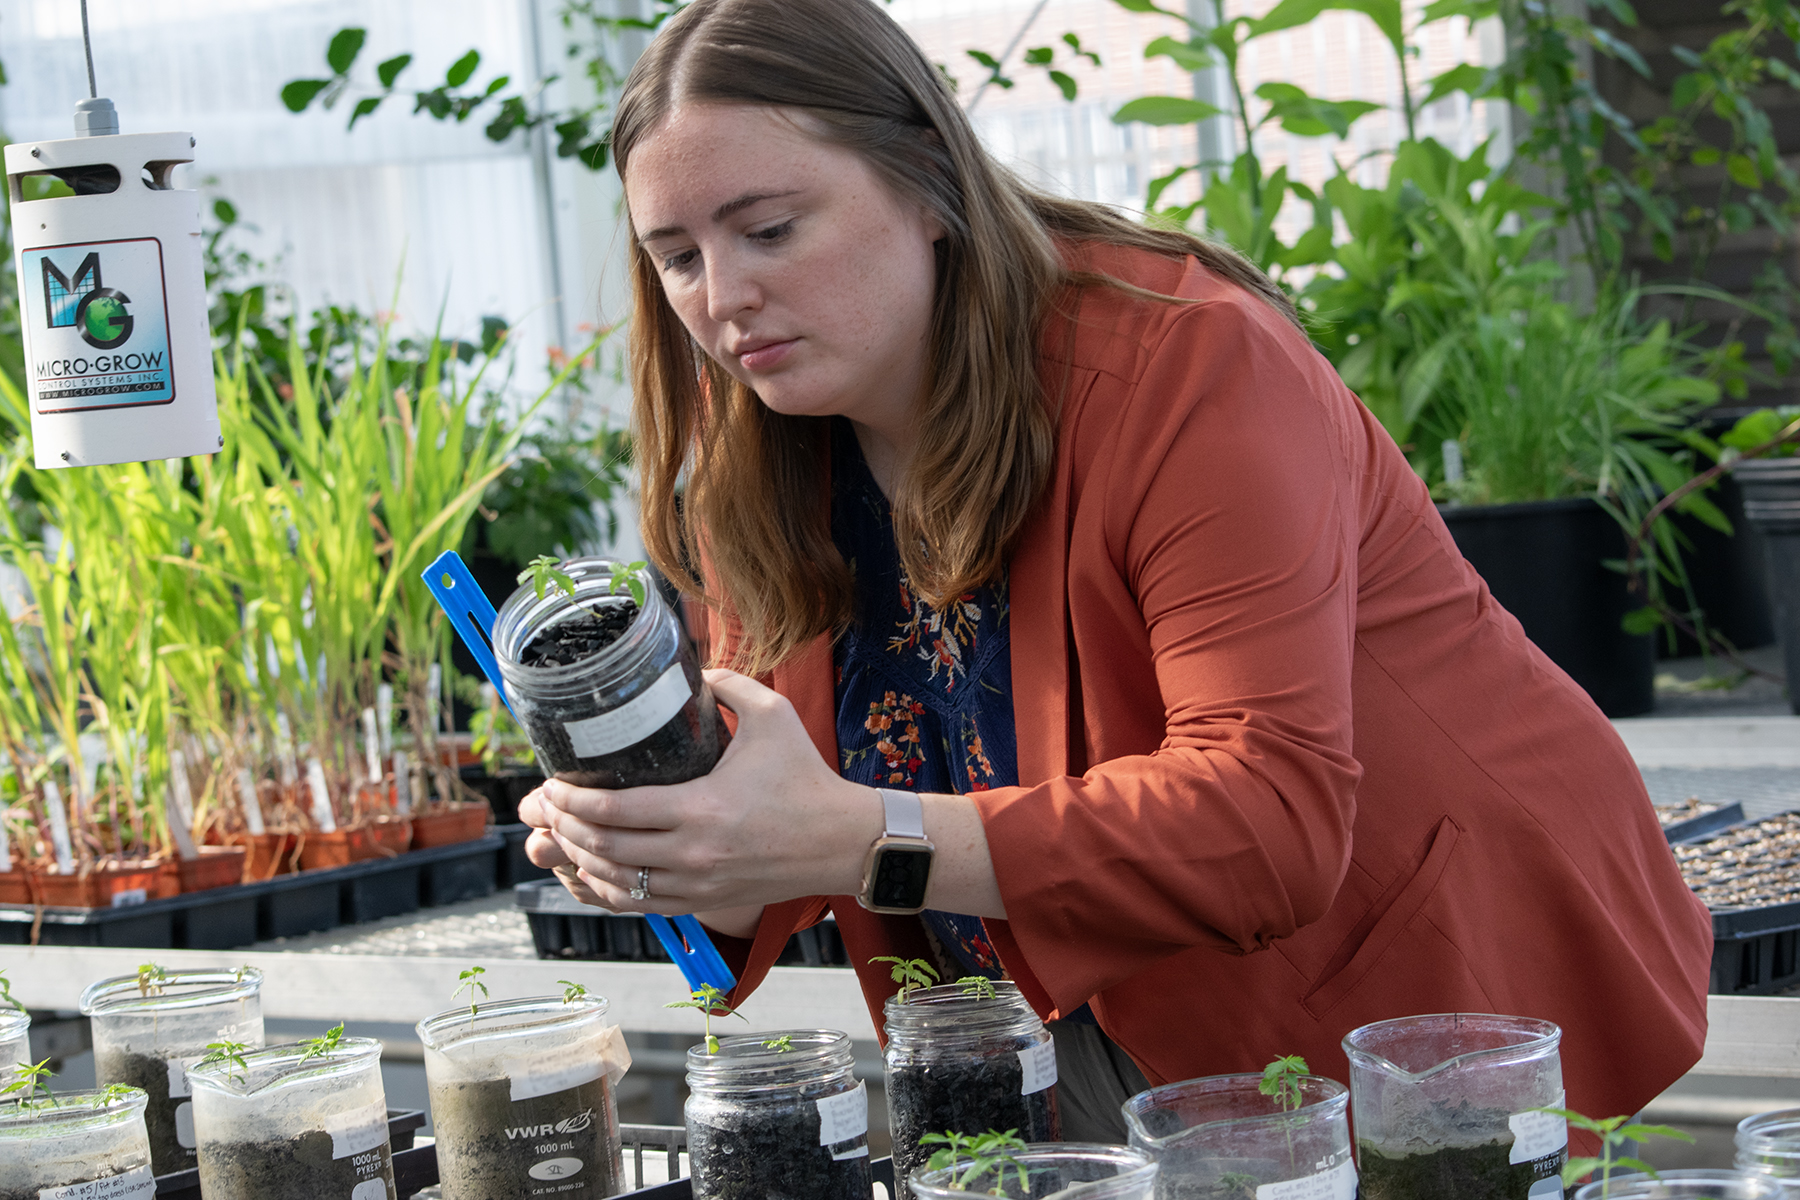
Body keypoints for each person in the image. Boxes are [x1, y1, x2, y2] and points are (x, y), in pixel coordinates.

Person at [520, 0, 1712, 1146]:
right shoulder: (764, 456)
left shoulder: (1192, 369)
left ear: (928, 176)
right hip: (1033, 1045)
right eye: (676, 257)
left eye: (771, 230)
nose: (723, 299)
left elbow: (1269, 818)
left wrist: (856, 838)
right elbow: (798, 821)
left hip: (1385, 1001)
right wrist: (675, 846)